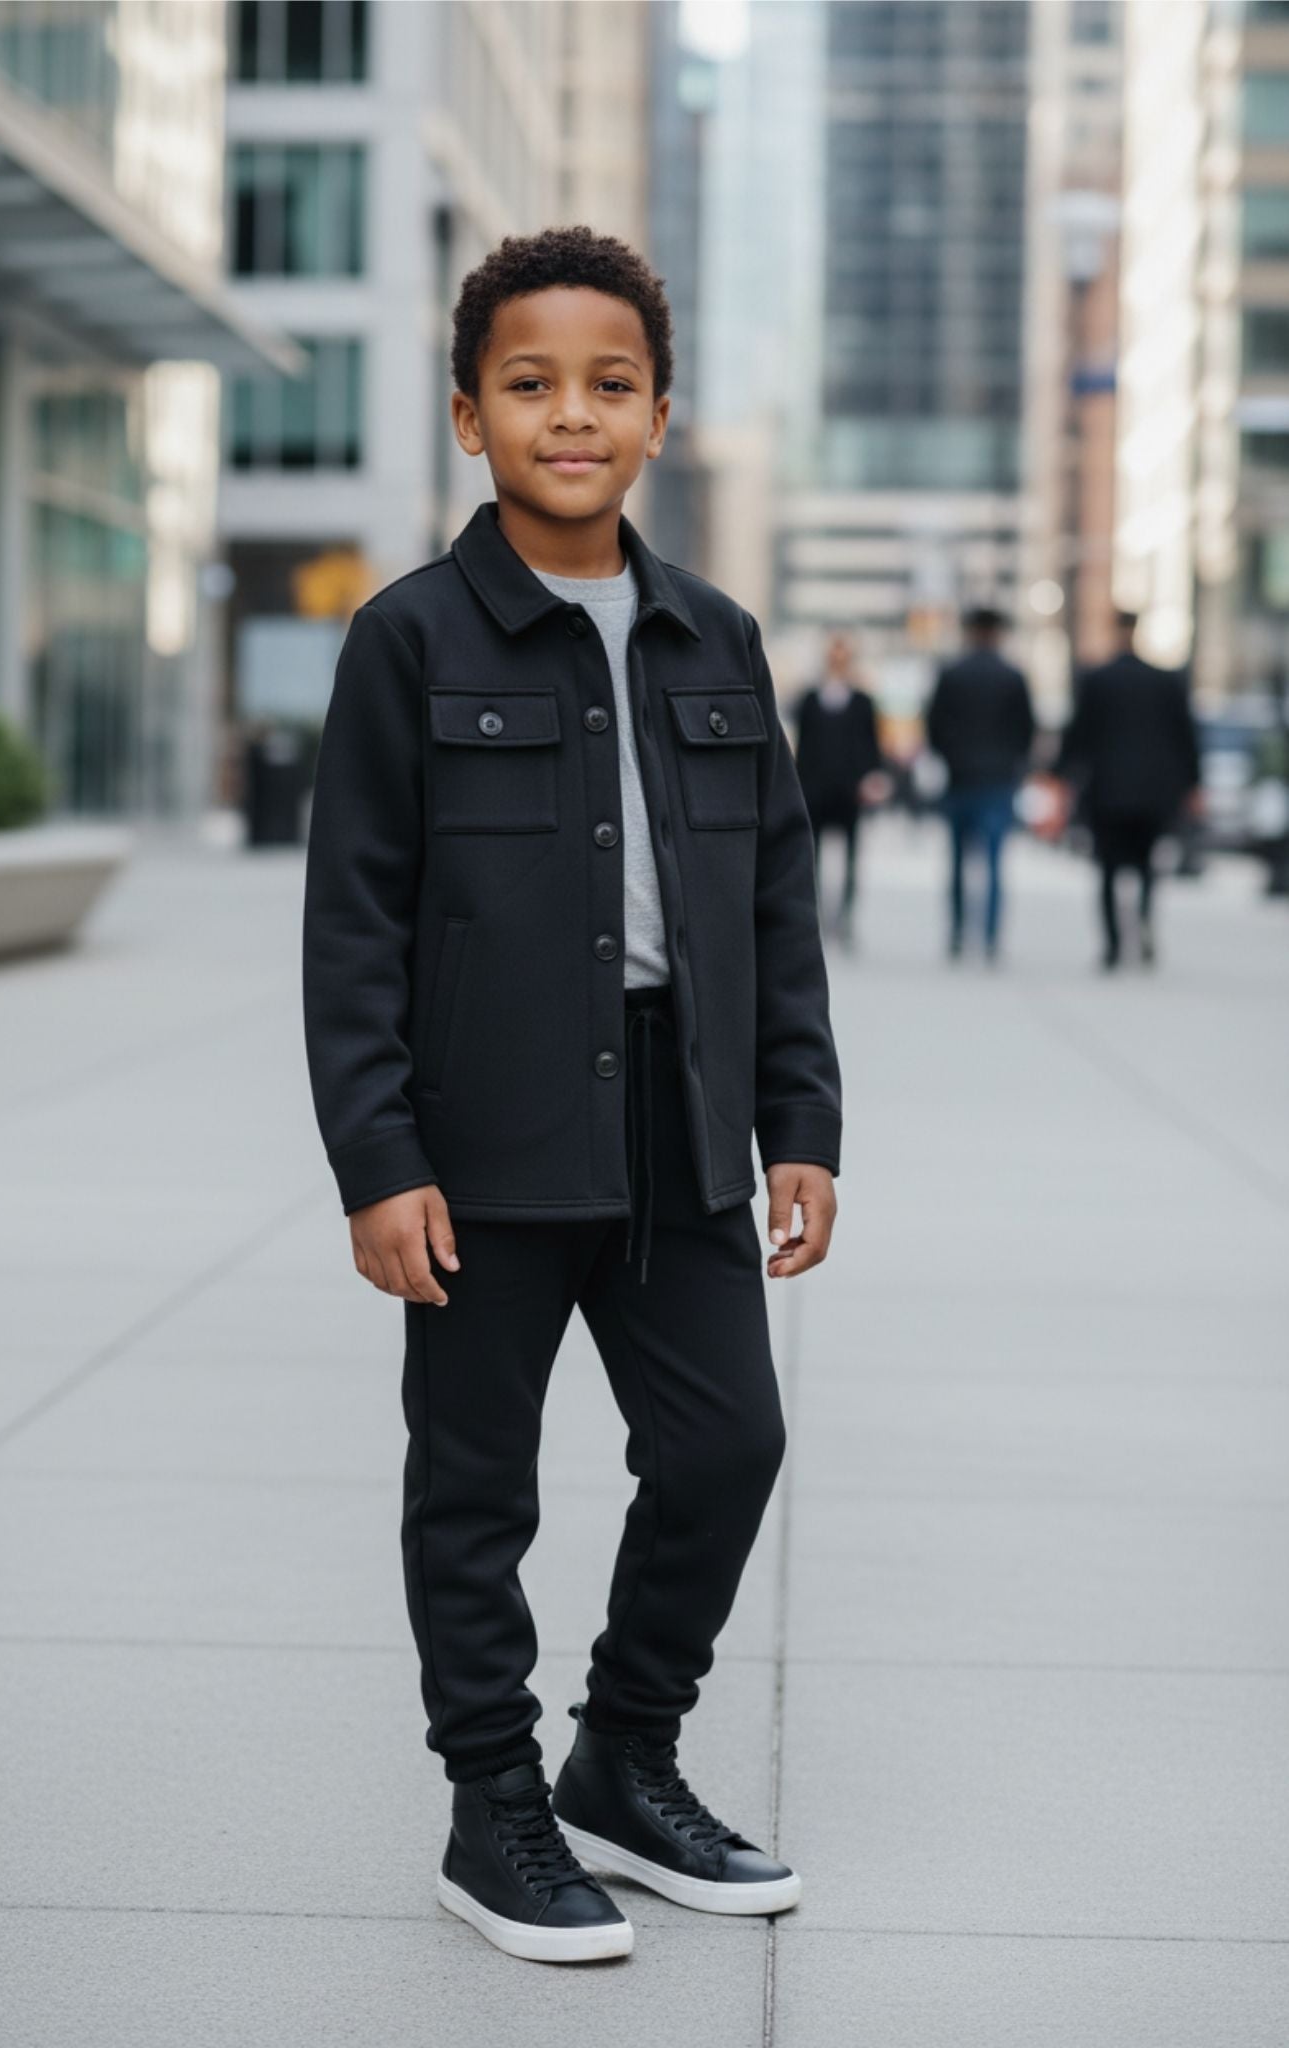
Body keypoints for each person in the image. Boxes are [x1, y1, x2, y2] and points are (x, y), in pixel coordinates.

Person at [301, 226, 843, 1964]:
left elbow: (775, 904)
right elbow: (353, 919)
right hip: (486, 1140)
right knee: (478, 1484)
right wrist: (378, 1156)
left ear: (661, 414)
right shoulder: (405, 639)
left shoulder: (718, 639)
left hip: (680, 1128)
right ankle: (492, 1807)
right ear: (470, 415)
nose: (572, 414)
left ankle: (627, 1751)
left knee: (730, 1442)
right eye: (530, 383)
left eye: (609, 384)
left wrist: (802, 1121)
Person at [1056, 611, 1204, 969]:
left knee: (1108, 869)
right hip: (1155, 791)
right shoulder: (1166, 681)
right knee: (1147, 867)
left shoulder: (1097, 679)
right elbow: (1186, 737)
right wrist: (1193, 783)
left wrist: (1061, 774)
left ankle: (1112, 943)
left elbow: (1077, 735)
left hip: (1108, 790)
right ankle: (1144, 922)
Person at [924, 605, 1037, 959]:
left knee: (958, 861)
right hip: (998, 781)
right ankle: (989, 937)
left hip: (960, 779)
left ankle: (958, 931)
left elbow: (934, 726)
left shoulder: (952, 673)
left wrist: (951, 756)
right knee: (993, 862)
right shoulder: (1012, 676)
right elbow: (1026, 730)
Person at [794, 632, 892, 942]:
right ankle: (820, 915)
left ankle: (845, 917)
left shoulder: (863, 700)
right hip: (815, 787)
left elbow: (871, 744)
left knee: (851, 856)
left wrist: (873, 777)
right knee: (813, 856)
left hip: (849, 789)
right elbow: (803, 744)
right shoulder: (810, 698)